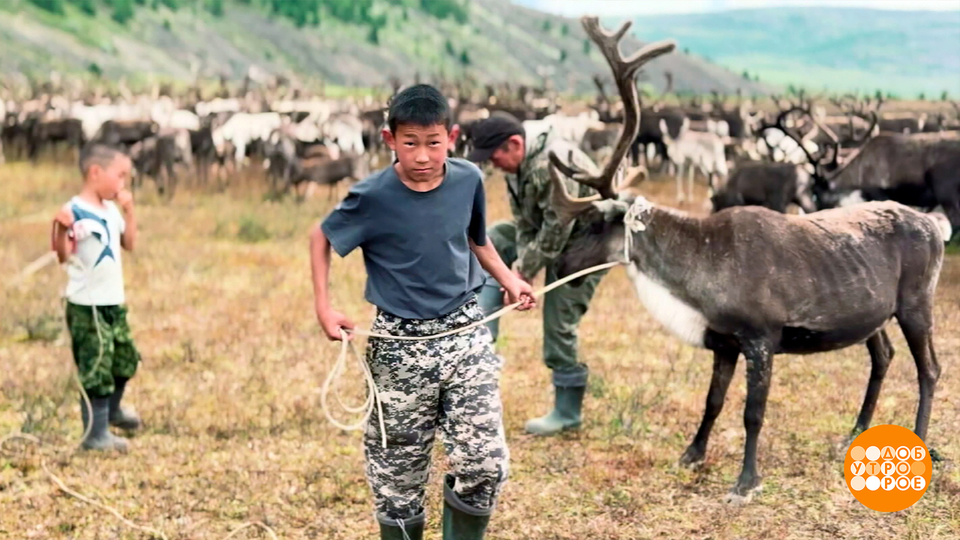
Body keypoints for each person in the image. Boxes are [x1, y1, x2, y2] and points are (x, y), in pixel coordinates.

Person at [310, 84, 536, 540]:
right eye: (410, 143)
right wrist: (325, 307)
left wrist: (509, 280)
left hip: (465, 330)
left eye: (433, 143)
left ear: (451, 137)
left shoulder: (468, 178)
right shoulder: (371, 196)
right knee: (398, 480)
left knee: (485, 463)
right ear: (389, 139)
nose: (422, 156)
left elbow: (476, 239)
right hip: (400, 343)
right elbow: (321, 238)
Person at [466, 113, 609, 437]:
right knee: (497, 237)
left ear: (515, 144)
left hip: (585, 242)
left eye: (495, 156)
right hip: (553, 233)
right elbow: (526, 223)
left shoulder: (549, 163)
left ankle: (567, 411)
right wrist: (515, 275)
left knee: (559, 318)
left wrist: (522, 271)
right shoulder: (518, 164)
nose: (493, 165)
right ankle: (480, 341)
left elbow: (558, 227)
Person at [51, 143, 142, 453]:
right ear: (95, 173)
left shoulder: (111, 210)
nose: (123, 183)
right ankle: (95, 433)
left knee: (125, 357)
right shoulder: (73, 210)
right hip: (87, 305)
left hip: (112, 300)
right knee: (96, 365)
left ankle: (112, 411)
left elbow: (128, 243)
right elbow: (63, 256)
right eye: (120, 176)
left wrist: (130, 212)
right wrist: (61, 230)